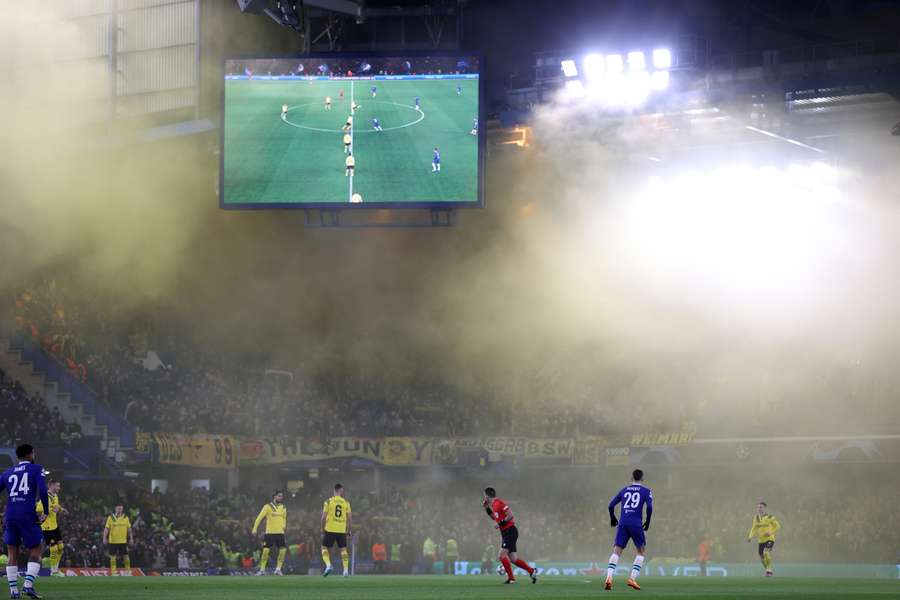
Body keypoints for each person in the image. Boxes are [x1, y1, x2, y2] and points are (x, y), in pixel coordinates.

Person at [2, 444, 49, 599]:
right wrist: (46, 511)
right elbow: (42, 490)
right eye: (33, 453)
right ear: (30, 454)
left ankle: (14, 591)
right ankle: (28, 586)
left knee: (12, 552)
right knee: (37, 548)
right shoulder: (36, 469)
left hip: (10, 514)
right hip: (27, 513)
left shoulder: (8, 472)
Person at [606, 469, 653, 591]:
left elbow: (610, 505)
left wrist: (612, 517)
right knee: (641, 552)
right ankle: (632, 579)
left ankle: (609, 578)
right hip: (636, 524)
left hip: (623, 523)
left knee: (616, 551)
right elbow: (649, 507)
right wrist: (647, 521)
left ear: (631, 478)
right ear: (642, 479)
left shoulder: (624, 490)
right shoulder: (646, 491)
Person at [482, 487, 537, 585]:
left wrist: (500, 524)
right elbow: (493, 518)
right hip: (506, 533)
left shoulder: (499, 503)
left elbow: (511, 515)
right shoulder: (494, 505)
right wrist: (486, 508)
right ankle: (531, 571)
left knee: (501, 555)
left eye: (484, 496)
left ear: (486, 496)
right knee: (513, 559)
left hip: (510, 531)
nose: (484, 497)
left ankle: (511, 579)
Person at [252, 491, 288, 575]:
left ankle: (278, 569)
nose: (281, 498)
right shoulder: (267, 507)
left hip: (280, 533)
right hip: (270, 533)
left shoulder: (283, 507)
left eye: (281, 496)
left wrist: (284, 525)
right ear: (274, 497)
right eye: (279, 496)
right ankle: (262, 570)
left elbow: (284, 518)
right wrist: (254, 528)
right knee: (265, 551)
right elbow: (259, 518)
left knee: (283, 550)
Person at [321, 483, 352, 577]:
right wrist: (349, 530)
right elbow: (350, 518)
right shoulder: (346, 503)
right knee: (343, 550)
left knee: (324, 548)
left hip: (330, 529)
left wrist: (322, 529)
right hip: (341, 530)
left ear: (334, 490)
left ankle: (328, 565)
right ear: (341, 491)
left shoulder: (328, 501)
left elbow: (323, 517)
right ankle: (346, 571)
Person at [39, 480, 67, 577]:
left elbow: (56, 505)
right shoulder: (45, 496)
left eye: (59, 486)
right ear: (50, 486)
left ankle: (56, 569)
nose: (59, 488)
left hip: (54, 525)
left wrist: (61, 509)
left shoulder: (55, 496)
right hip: (47, 527)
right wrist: (51, 510)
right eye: (57, 486)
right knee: (54, 548)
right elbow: (38, 508)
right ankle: (53, 571)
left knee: (61, 547)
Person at [747, 501, 781, 577]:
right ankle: (769, 571)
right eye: (758, 507)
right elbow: (754, 528)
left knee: (766, 552)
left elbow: (778, 526)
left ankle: (768, 569)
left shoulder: (770, 517)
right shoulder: (756, 518)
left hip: (770, 538)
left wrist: (771, 532)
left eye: (761, 507)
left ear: (765, 508)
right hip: (761, 540)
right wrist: (750, 536)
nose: (759, 509)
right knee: (761, 557)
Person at [103, 504, 133, 576]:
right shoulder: (111, 517)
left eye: (121, 509)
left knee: (126, 556)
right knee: (113, 556)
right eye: (118, 509)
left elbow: (129, 529)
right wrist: (104, 537)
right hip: (113, 541)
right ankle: (113, 572)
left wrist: (131, 538)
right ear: (115, 509)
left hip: (123, 541)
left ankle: (128, 571)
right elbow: (107, 528)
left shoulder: (125, 517)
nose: (120, 510)